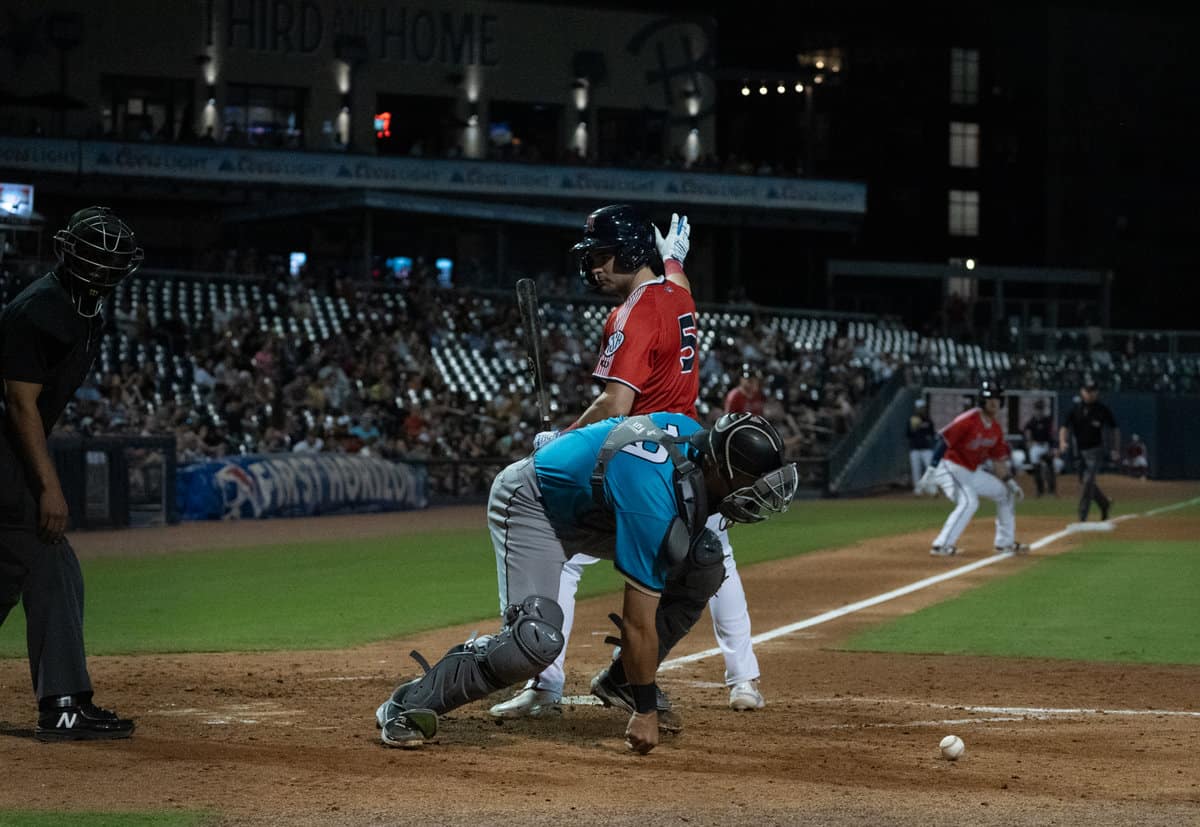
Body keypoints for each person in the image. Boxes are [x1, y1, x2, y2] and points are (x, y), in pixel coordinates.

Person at [374, 411, 799, 753]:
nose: (757, 493)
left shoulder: (692, 441)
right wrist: (647, 711)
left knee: (704, 561)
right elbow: (638, 621)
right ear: (723, 469)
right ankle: (408, 705)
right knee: (534, 641)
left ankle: (620, 682)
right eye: (751, 482)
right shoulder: (654, 498)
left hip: (593, 512)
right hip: (533, 505)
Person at [489, 205, 767, 721]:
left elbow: (616, 405)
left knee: (566, 558)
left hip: (643, 465)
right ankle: (743, 678)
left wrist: (560, 441)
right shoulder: (677, 295)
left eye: (602, 255)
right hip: (691, 455)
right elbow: (678, 276)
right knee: (714, 562)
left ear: (633, 253)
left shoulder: (630, 313)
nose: (593, 266)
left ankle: (546, 683)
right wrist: (674, 258)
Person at [0, 206, 143, 741]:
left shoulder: (81, 310)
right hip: (5, 457)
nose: (105, 271)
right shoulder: (38, 310)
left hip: (9, 456)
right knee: (48, 555)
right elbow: (19, 403)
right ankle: (63, 706)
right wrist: (49, 485)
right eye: (97, 260)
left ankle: (64, 703)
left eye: (113, 263)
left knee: (38, 566)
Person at [922, 380, 1029, 557]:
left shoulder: (995, 429)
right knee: (969, 501)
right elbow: (944, 440)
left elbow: (998, 464)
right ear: (982, 400)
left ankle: (1005, 543)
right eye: (989, 398)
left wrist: (1011, 483)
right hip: (949, 467)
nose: (993, 402)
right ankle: (941, 545)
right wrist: (932, 470)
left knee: (1005, 493)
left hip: (970, 472)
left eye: (997, 398)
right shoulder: (969, 419)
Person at [1060, 379, 1119, 521]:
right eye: (1087, 391)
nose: (1090, 394)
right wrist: (1062, 441)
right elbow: (1064, 426)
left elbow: (1114, 429)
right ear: (1082, 392)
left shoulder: (1102, 409)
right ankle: (1104, 504)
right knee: (1087, 483)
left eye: (1092, 391)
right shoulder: (1075, 409)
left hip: (1095, 450)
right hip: (1079, 452)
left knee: (1088, 482)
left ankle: (1082, 516)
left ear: (1097, 392)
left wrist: (1115, 448)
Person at [1022, 398, 1057, 497]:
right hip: (1036, 446)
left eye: (1041, 409)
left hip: (1045, 445)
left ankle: (1051, 491)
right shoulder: (1031, 422)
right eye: (1037, 409)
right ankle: (1040, 490)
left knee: (1050, 467)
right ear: (1035, 409)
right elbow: (1026, 433)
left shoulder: (1047, 421)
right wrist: (1029, 442)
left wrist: (1052, 448)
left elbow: (1052, 435)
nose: (1039, 411)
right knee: (1036, 469)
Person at [906, 398, 936, 496]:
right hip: (915, 448)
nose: (921, 410)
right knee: (916, 470)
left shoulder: (928, 420)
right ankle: (918, 489)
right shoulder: (911, 419)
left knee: (930, 469)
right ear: (916, 408)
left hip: (926, 448)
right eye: (919, 408)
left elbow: (932, 434)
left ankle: (931, 488)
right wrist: (913, 428)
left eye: (922, 408)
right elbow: (907, 434)